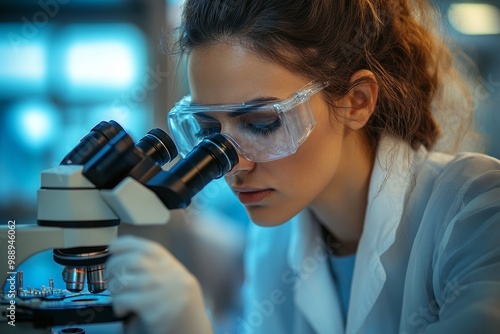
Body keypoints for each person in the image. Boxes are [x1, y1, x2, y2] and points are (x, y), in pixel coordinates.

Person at [105, 0, 500, 333]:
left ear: (357, 101)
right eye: (210, 130)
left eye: (262, 123)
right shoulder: (273, 248)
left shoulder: (475, 209)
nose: (232, 166)